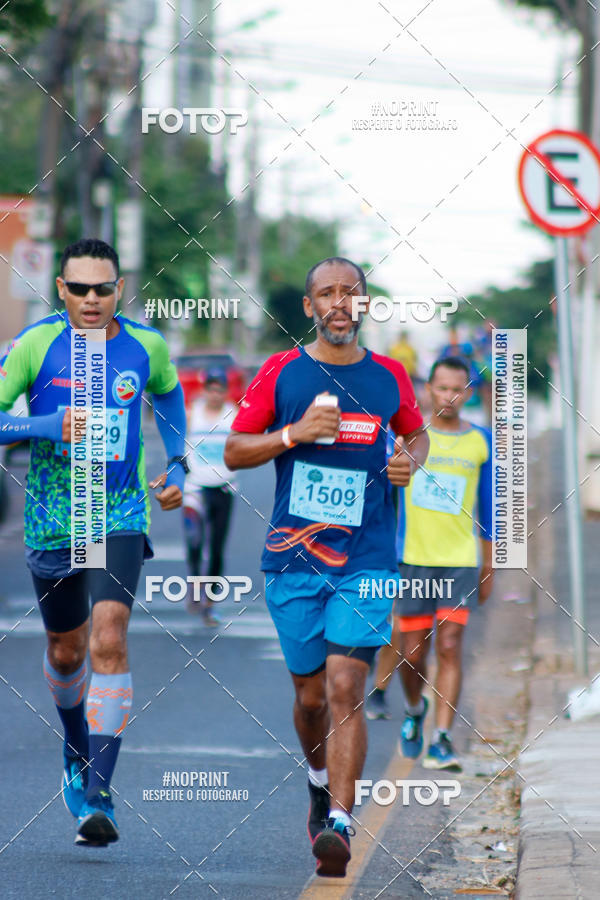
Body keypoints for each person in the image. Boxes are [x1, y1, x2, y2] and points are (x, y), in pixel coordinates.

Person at [224, 257, 429, 877]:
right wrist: (293, 434)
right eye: (327, 293)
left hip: (367, 559)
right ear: (309, 307)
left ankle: (339, 823)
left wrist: (409, 459)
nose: (340, 303)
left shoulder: (390, 375)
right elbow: (234, 450)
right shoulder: (281, 371)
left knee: (345, 687)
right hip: (294, 561)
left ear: (365, 303)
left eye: (351, 292)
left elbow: (416, 433)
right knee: (310, 697)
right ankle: (318, 783)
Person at [0, 239, 187, 846]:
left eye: (102, 288)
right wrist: (45, 426)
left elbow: (169, 393)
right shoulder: (35, 345)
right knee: (65, 652)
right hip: (54, 518)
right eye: (78, 288)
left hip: (117, 514)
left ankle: (100, 794)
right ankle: (76, 747)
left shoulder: (145, 345)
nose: (90, 299)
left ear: (119, 289)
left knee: (109, 637)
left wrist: (178, 463)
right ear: (61, 288)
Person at [373, 356, 493, 772]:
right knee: (412, 654)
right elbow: (381, 497)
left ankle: (441, 739)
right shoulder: (407, 438)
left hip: (459, 561)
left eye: (457, 389)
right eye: (442, 388)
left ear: (468, 393)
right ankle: (414, 708)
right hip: (413, 560)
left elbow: (491, 509)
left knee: (450, 646)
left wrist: (490, 565)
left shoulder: (481, 441)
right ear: (428, 389)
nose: (449, 396)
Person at [183, 368, 237, 626]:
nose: (215, 394)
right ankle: (195, 584)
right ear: (204, 391)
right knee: (194, 542)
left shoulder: (233, 415)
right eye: (211, 389)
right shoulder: (191, 413)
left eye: (220, 390)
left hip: (224, 487)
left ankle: (210, 603)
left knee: (217, 548)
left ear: (225, 392)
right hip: (195, 488)